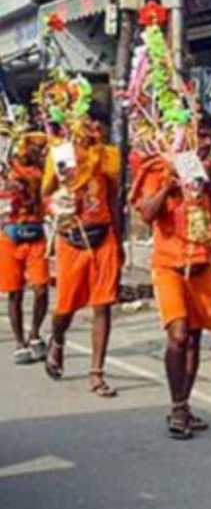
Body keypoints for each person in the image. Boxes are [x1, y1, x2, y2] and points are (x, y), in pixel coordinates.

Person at [131, 113, 211, 438]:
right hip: (169, 265)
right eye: (201, 135)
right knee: (177, 335)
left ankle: (183, 404)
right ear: (186, 137)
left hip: (202, 264)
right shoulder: (160, 168)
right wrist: (169, 186)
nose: (207, 143)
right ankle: (177, 407)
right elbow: (147, 213)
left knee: (194, 338)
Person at [43, 117, 122, 397]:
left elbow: (113, 198)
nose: (92, 130)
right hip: (72, 237)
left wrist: (119, 238)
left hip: (103, 237)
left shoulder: (107, 156)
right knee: (65, 308)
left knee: (103, 304)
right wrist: (60, 188)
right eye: (86, 125)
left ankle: (96, 372)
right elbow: (46, 193)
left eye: (96, 126)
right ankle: (58, 338)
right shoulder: (62, 154)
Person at [1, 131, 50, 365]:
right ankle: (19, 342)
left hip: (35, 234)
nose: (40, 152)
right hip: (10, 235)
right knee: (15, 292)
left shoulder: (45, 171)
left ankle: (35, 335)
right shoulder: (8, 169)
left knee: (41, 287)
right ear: (26, 147)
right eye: (37, 148)